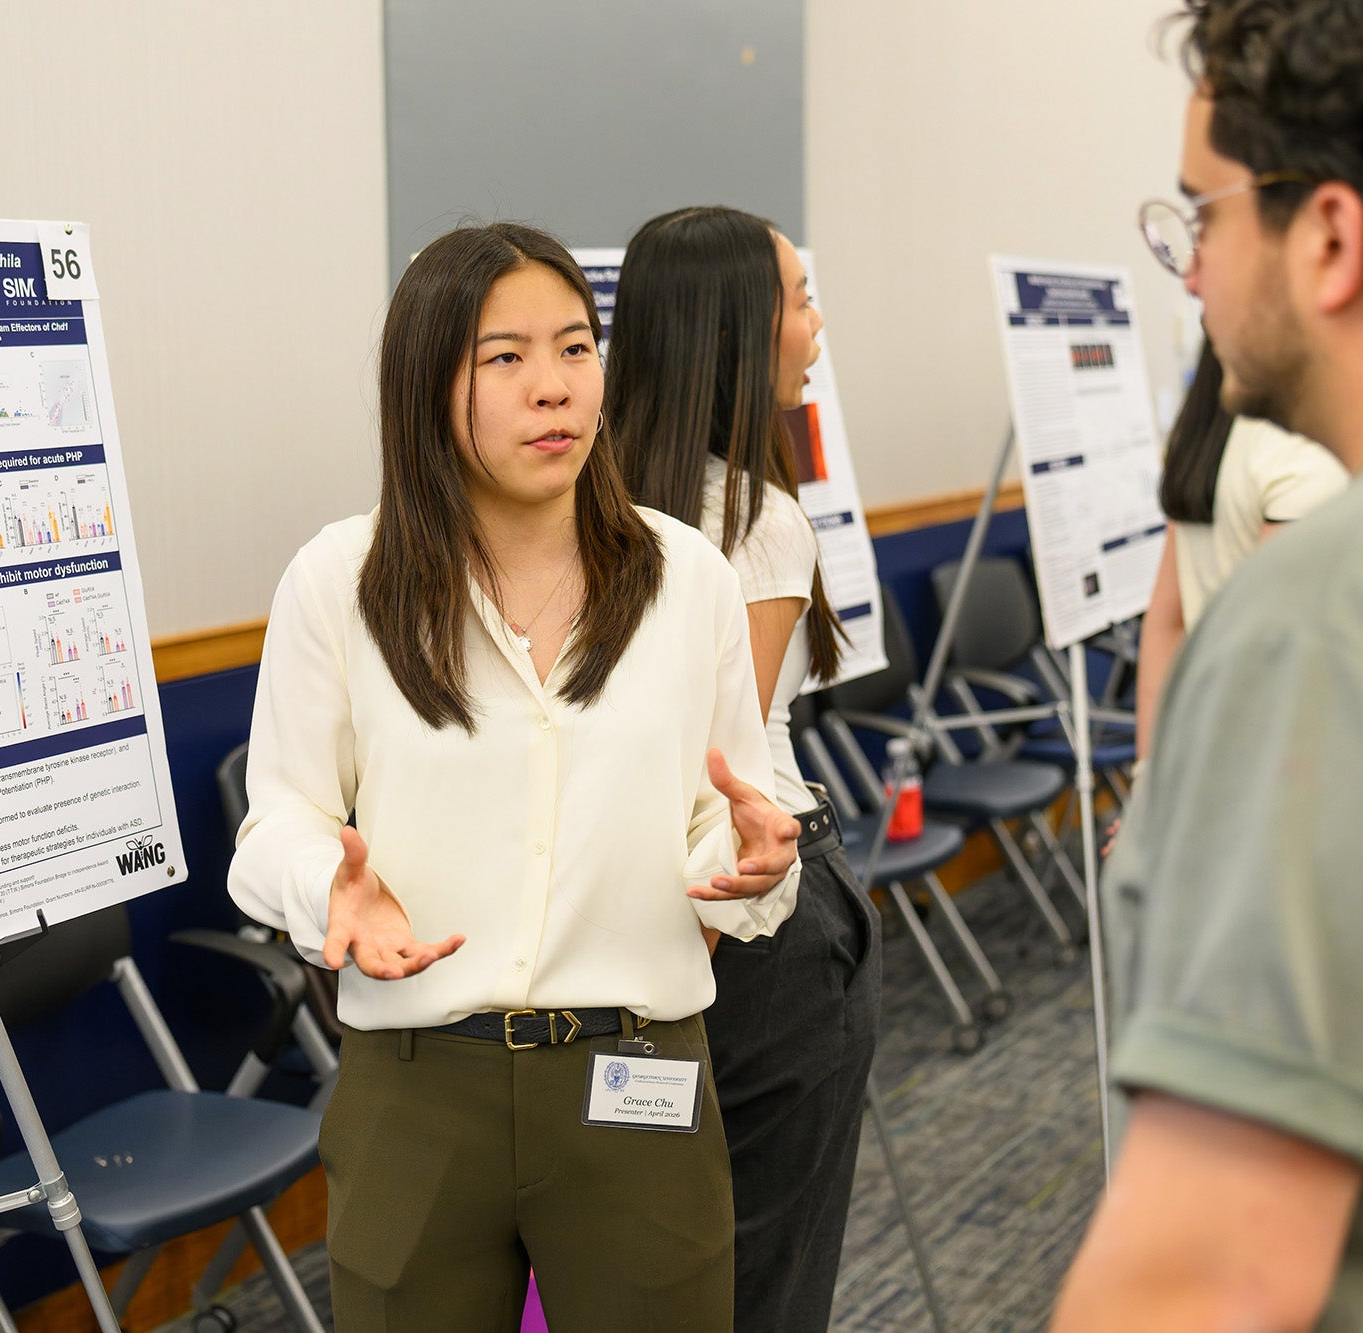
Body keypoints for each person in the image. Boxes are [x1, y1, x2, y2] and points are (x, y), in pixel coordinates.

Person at [228, 220, 805, 1331]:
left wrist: (748, 855)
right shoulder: (340, 579)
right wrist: (324, 890)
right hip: (415, 1080)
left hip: (636, 1072)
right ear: (424, 381)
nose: (553, 388)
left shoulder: (685, 575)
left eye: (574, 348)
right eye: (505, 358)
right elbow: (276, 825)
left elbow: (724, 808)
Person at [1053, 2, 1363, 1328]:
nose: (1191, 272)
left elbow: (1207, 1277)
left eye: (1206, 215)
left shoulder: (1343, 610)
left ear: (1333, 239)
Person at [605, 204, 880, 1331]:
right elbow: (722, 774)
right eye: (801, 299)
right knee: (764, 1269)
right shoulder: (752, 520)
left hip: (623, 932)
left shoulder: (578, 500)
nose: (816, 325)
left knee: (635, 1271)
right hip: (749, 927)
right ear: (735, 328)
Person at [1134, 337, 1346, 760]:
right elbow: (1270, 653)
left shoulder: (1209, 443)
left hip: (1202, 738)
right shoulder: (1302, 456)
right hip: (1267, 757)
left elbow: (1165, 624)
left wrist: (1148, 780)